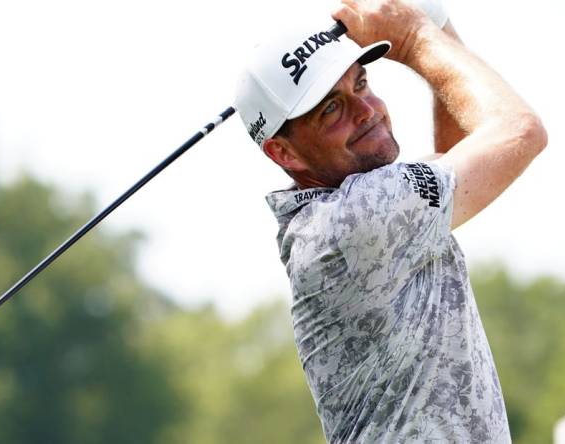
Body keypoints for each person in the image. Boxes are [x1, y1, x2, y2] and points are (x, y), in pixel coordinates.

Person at [234, 0, 547, 442]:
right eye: (331, 109)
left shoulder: (350, 217)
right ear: (284, 153)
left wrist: (433, 19)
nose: (366, 110)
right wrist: (416, 37)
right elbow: (518, 130)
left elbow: (455, 157)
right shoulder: (356, 220)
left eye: (362, 83)